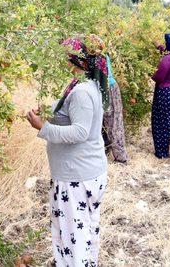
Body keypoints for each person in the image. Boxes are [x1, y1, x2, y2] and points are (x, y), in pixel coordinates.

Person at [26, 35, 109, 267]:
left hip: (77, 178)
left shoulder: (82, 91)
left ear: (76, 60)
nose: (63, 62)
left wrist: (43, 127)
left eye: (65, 57)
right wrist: (47, 111)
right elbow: (70, 112)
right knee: (85, 232)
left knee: (74, 238)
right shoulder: (85, 85)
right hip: (86, 172)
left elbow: (80, 132)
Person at [85, 35, 128, 163]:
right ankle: (110, 154)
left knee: (111, 124)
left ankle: (120, 157)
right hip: (107, 88)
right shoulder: (101, 57)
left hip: (107, 89)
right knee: (112, 123)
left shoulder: (96, 59)